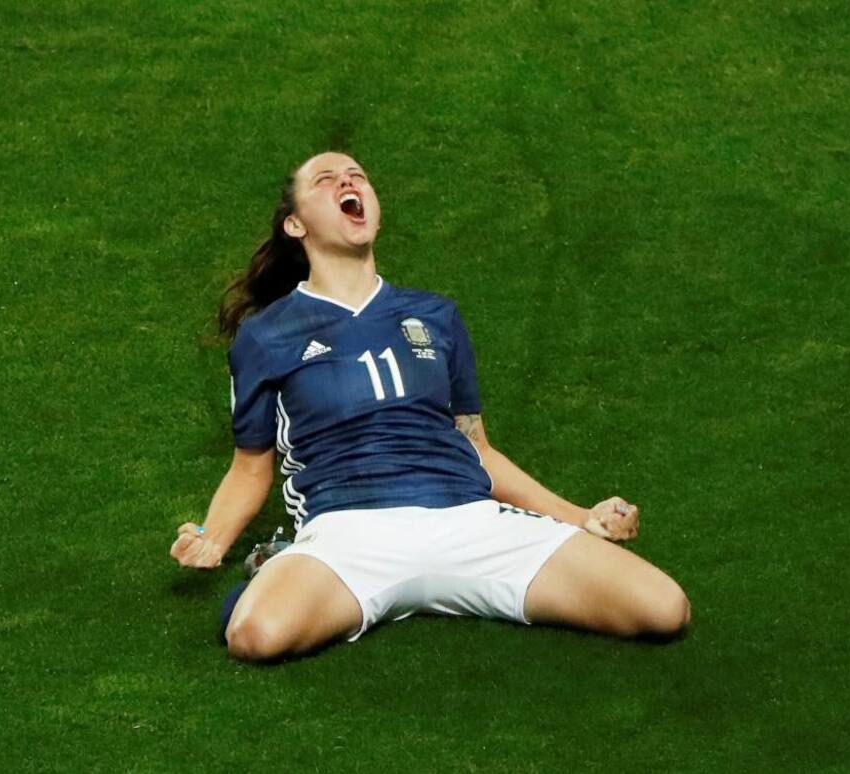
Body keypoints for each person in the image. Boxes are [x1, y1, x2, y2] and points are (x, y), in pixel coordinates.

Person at [170, 151, 691, 662]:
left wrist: (580, 518)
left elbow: (476, 448)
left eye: (357, 176)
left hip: (469, 523)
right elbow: (249, 466)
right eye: (325, 180)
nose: (347, 182)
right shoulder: (266, 336)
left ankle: (299, 579)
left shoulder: (434, 316)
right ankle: (279, 572)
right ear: (295, 225)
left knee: (664, 609)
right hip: (351, 534)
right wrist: (212, 539)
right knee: (255, 635)